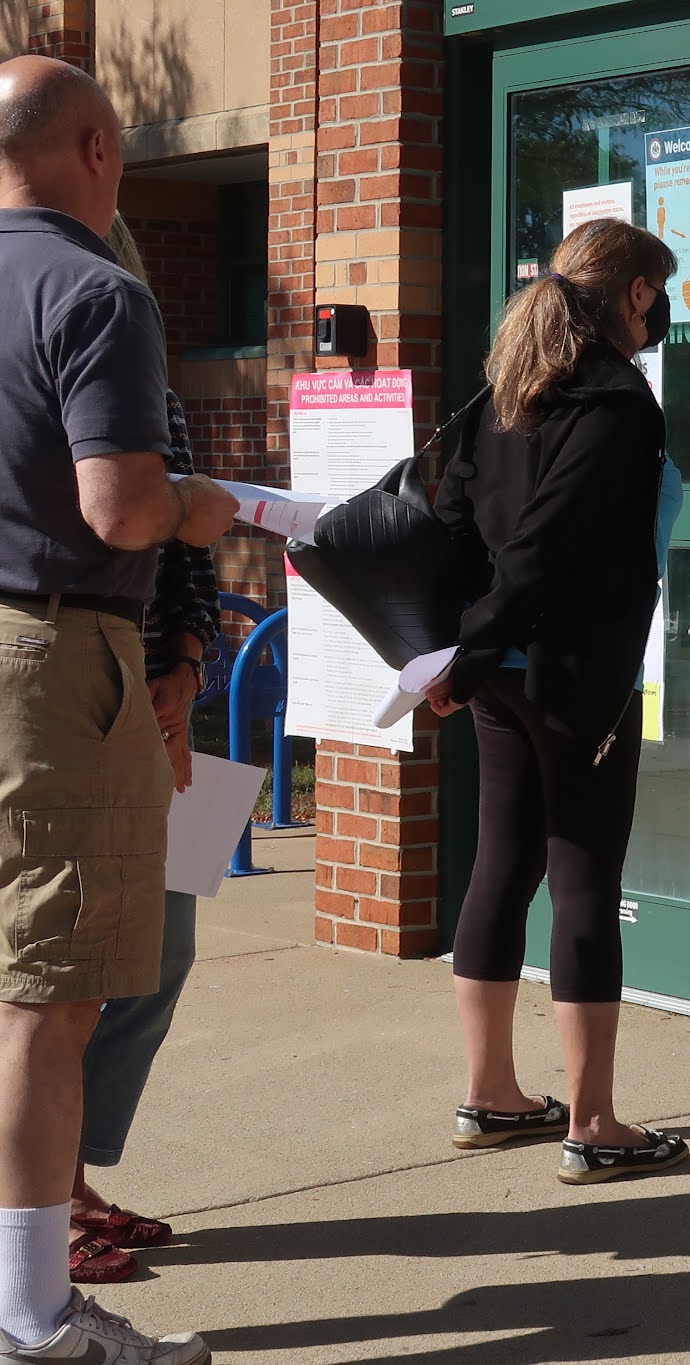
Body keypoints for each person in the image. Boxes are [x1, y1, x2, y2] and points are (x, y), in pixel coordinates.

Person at [0, 54, 238, 1365]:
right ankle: (34, 1317)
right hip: (57, 659)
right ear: (96, 150)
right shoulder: (99, 291)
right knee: (50, 1000)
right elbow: (126, 508)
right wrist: (207, 508)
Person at [426, 219, 690, 1185]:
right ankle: (594, 1123)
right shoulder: (616, 399)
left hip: (499, 675)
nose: (658, 319)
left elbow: (455, 527)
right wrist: (471, 653)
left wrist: (459, 653)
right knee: (583, 878)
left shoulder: (505, 392)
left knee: (503, 864)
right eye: (658, 297)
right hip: (574, 674)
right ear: (633, 293)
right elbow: (548, 542)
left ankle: (491, 1093)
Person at [58, 215, 223, 1287]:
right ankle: (44, 1199)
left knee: (163, 948)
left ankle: (67, 1173)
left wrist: (190, 662)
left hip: (160, 699)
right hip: (69, 693)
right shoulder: (48, 359)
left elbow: (191, 556)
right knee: (63, 962)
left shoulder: (151, 381)